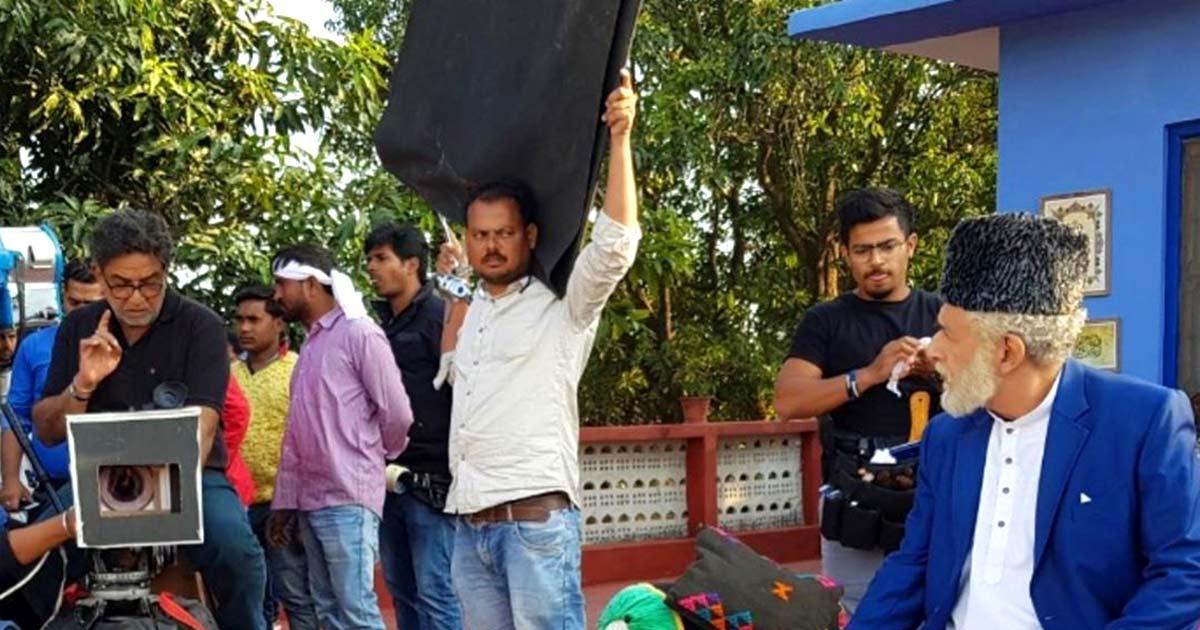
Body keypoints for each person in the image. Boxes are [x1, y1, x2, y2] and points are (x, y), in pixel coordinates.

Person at [851, 213, 1200, 629]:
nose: (932, 350)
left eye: (947, 333)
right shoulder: (947, 435)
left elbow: (1184, 571)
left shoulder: (1143, 421)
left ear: (1007, 352)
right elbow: (915, 562)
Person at [435, 70, 639, 630]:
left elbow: (615, 246)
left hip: (533, 525)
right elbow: (447, 371)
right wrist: (454, 291)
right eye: (480, 235)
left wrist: (621, 138)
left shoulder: (563, 306)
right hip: (468, 524)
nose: (491, 246)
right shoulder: (475, 313)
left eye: (503, 233)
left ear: (529, 235)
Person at [31, 209, 267, 630]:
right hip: (97, 477)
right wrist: (83, 384)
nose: (137, 298)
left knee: (238, 551)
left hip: (191, 476)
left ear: (166, 272)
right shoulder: (78, 326)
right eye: (121, 285)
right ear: (100, 275)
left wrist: (163, 495)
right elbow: (47, 431)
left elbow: (204, 426)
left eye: (150, 283)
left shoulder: (201, 325)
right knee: (35, 552)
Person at [771, 187, 942, 609]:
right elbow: (788, 401)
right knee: (856, 612)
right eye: (863, 250)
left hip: (935, 492)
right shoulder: (826, 321)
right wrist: (868, 375)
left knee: (941, 607)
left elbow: (989, 395)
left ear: (911, 245)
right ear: (844, 252)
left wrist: (942, 374)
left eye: (888, 246)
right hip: (856, 496)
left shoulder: (942, 314)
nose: (876, 261)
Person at [267, 243, 413, 630]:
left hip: (348, 494)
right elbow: (298, 435)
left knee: (355, 611)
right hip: (312, 499)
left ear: (310, 285)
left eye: (282, 283)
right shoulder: (311, 345)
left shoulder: (359, 333)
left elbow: (397, 413)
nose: (277, 294)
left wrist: (373, 457)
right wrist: (286, 502)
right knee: (329, 610)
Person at [365, 223, 461, 629]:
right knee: (402, 592)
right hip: (388, 479)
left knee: (437, 593)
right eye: (369, 259)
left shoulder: (439, 317)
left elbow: (462, 388)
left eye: (381, 258)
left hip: (433, 481)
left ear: (411, 265)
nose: (372, 267)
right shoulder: (379, 327)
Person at [232, 284, 317, 629]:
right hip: (238, 505)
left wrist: (294, 504)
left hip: (285, 505)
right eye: (239, 320)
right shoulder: (228, 375)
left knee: (296, 596)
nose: (244, 328)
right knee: (251, 600)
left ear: (279, 323)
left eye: (254, 320)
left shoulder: (298, 370)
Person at [2, 259, 103, 510]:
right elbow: (15, 418)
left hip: (110, 480)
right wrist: (11, 480)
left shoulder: (125, 345)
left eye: (90, 304)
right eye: (74, 302)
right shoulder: (34, 346)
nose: (81, 312)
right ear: (62, 295)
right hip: (51, 488)